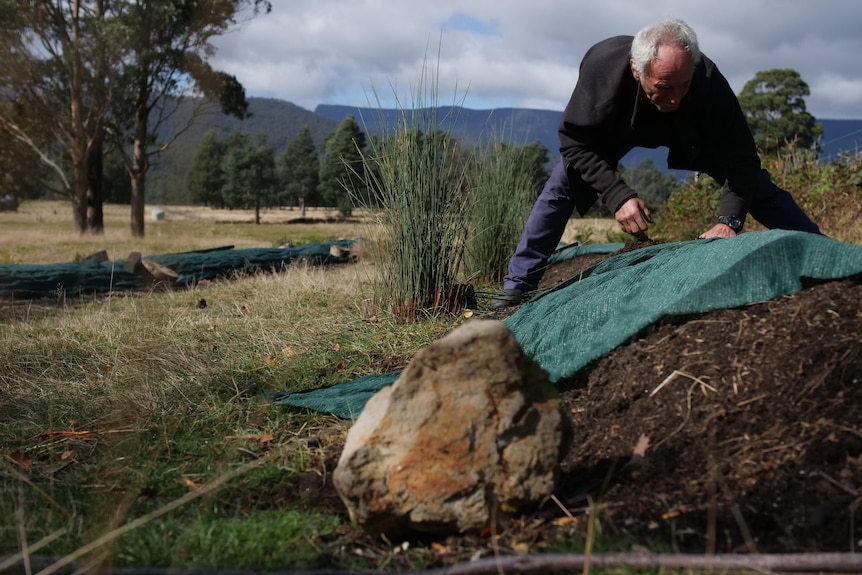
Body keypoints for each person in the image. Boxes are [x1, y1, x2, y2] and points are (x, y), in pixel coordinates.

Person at [490, 18, 821, 311]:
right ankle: (517, 287)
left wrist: (729, 220)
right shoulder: (603, 73)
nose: (675, 96)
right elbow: (575, 143)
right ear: (637, 70)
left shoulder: (706, 80)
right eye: (664, 85)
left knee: (755, 186)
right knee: (562, 185)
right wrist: (617, 194)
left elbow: (743, 159)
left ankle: (823, 254)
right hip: (615, 125)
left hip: (690, 132)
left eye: (683, 84)